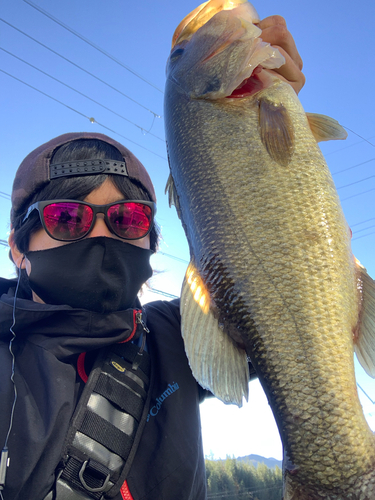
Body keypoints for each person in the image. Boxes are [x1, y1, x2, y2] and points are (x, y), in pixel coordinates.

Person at [0, 15, 305, 500]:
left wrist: (270, 138)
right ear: (18, 246)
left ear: (151, 241)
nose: (100, 234)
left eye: (127, 220)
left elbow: (283, 298)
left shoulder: (178, 336)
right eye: (68, 218)